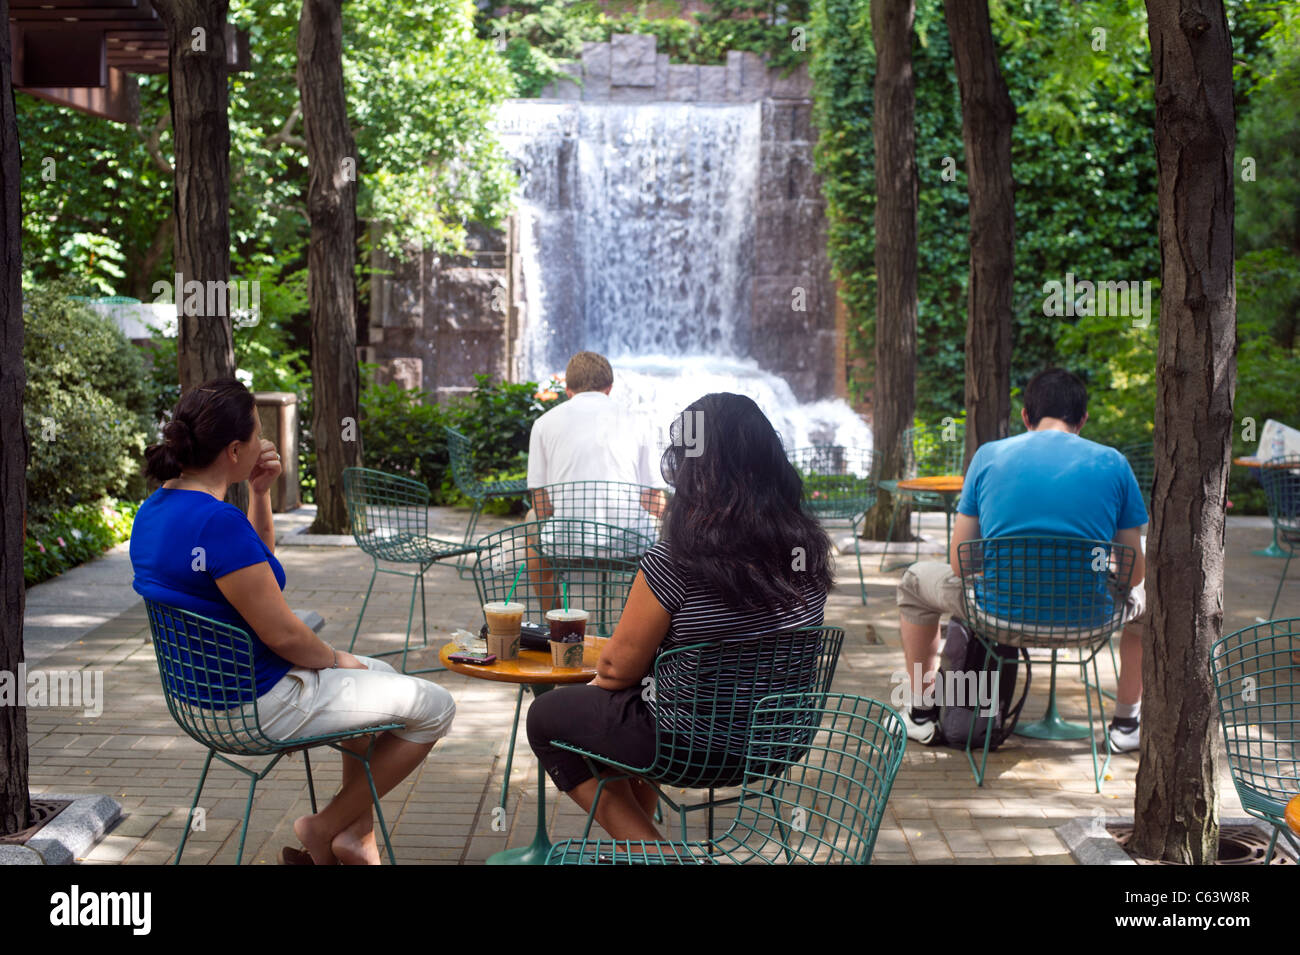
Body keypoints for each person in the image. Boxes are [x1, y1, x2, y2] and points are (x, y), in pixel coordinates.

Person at [130, 378, 455, 865]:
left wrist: (260, 494)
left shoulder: (155, 510)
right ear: (234, 449)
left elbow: (259, 572)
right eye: (259, 432)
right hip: (256, 703)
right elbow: (282, 634)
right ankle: (320, 828)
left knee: (381, 680)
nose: (266, 443)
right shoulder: (215, 524)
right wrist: (337, 658)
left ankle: (354, 838)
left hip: (198, 697)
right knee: (436, 706)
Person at [526, 393, 834, 840]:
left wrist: (596, 692)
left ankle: (654, 852)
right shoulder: (807, 551)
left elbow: (615, 669)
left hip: (692, 745)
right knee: (631, 701)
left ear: (695, 470)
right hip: (778, 739)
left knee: (548, 717)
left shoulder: (677, 559)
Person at [895, 368, 1147, 753]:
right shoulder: (1113, 463)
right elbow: (1132, 574)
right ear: (1082, 420)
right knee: (1153, 603)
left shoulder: (989, 455)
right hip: (1089, 621)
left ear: (1026, 418)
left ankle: (920, 713)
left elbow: (962, 565)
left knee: (914, 583)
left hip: (996, 615)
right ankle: (1127, 723)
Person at [525, 351, 666, 607]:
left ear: (567, 390)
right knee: (667, 525)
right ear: (609, 388)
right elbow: (652, 500)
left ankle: (555, 619)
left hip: (565, 544)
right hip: (630, 545)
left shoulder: (543, 424)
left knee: (531, 519)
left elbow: (542, 506)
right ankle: (641, 619)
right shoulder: (641, 421)